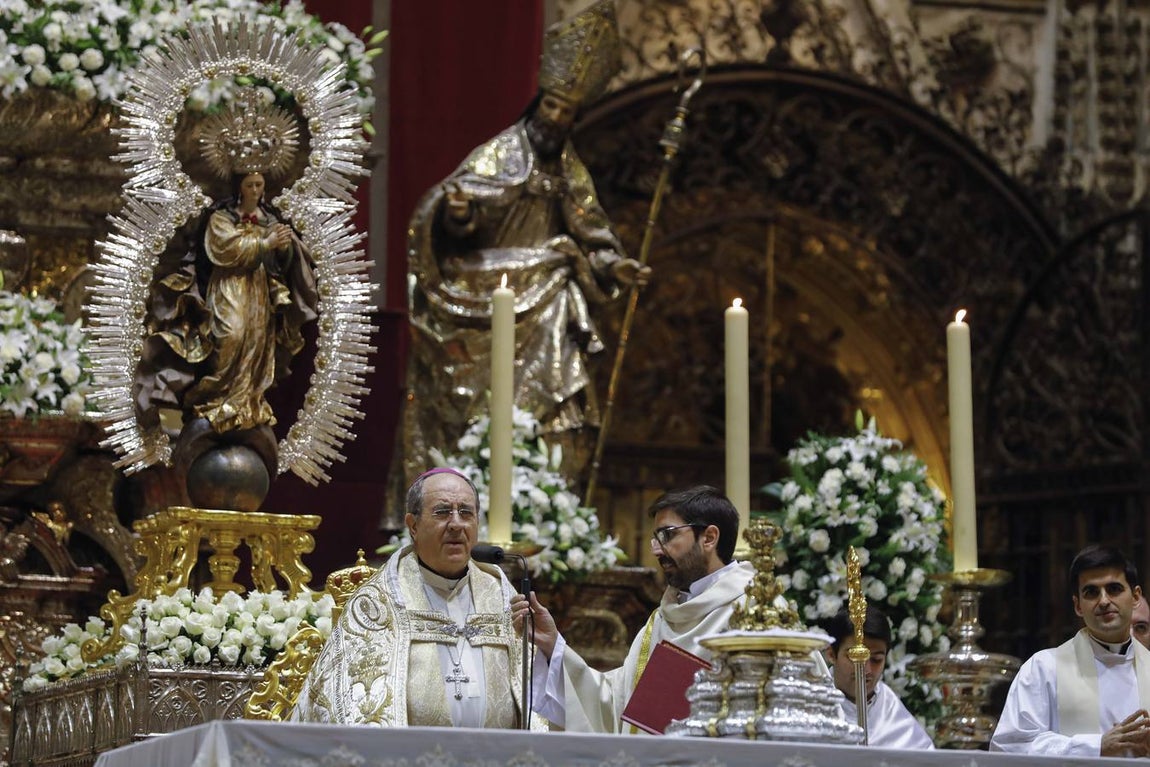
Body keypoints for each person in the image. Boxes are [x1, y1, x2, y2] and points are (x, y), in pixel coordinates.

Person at [388, 0, 648, 524]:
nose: (555, 118)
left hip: (547, 297)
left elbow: (591, 230)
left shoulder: (569, 171)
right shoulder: (500, 155)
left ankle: (543, 504)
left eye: (566, 112)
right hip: (480, 294)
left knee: (558, 394)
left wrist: (612, 266)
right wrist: (458, 215)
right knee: (466, 414)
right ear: (538, 104)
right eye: (550, 106)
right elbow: (455, 213)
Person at [138, 89, 316, 469]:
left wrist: (282, 246)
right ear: (238, 186)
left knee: (255, 344)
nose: (258, 189)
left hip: (259, 296)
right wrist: (263, 242)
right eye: (251, 184)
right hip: (229, 289)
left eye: (261, 183)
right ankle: (217, 400)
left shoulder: (269, 218)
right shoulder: (221, 218)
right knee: (230, 338)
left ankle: (246, 402)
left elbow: (283, 258)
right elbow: (223, 249)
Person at [292, 468, 535, 728]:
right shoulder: (377, 603)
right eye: (442, 512)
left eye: (466, 513)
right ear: (413, 525)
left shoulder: (500, 593)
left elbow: (542, 693)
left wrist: (549, 644)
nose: (456, 524)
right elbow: (344, 705)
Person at [521, 485, 754, 733]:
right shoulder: (663, 619)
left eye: (668, 535)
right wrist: (555, 646)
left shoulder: (753, 612)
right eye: (656, 537)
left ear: (709, 538)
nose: (655, 549)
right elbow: (616, 703)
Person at [990, 544, 1150, 756]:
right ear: (1078, 606)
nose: (1103, 601)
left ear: (1136, 597)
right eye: (1091, 592)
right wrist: (1095, 746)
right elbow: (1009, 748)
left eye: (1114, 589)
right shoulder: (1044, 668)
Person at [821, 605, 934, 748]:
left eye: (876, 660)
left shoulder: (890, 708)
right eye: (855, 658)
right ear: (831, 654)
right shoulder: (813, 701)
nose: (866, 670)